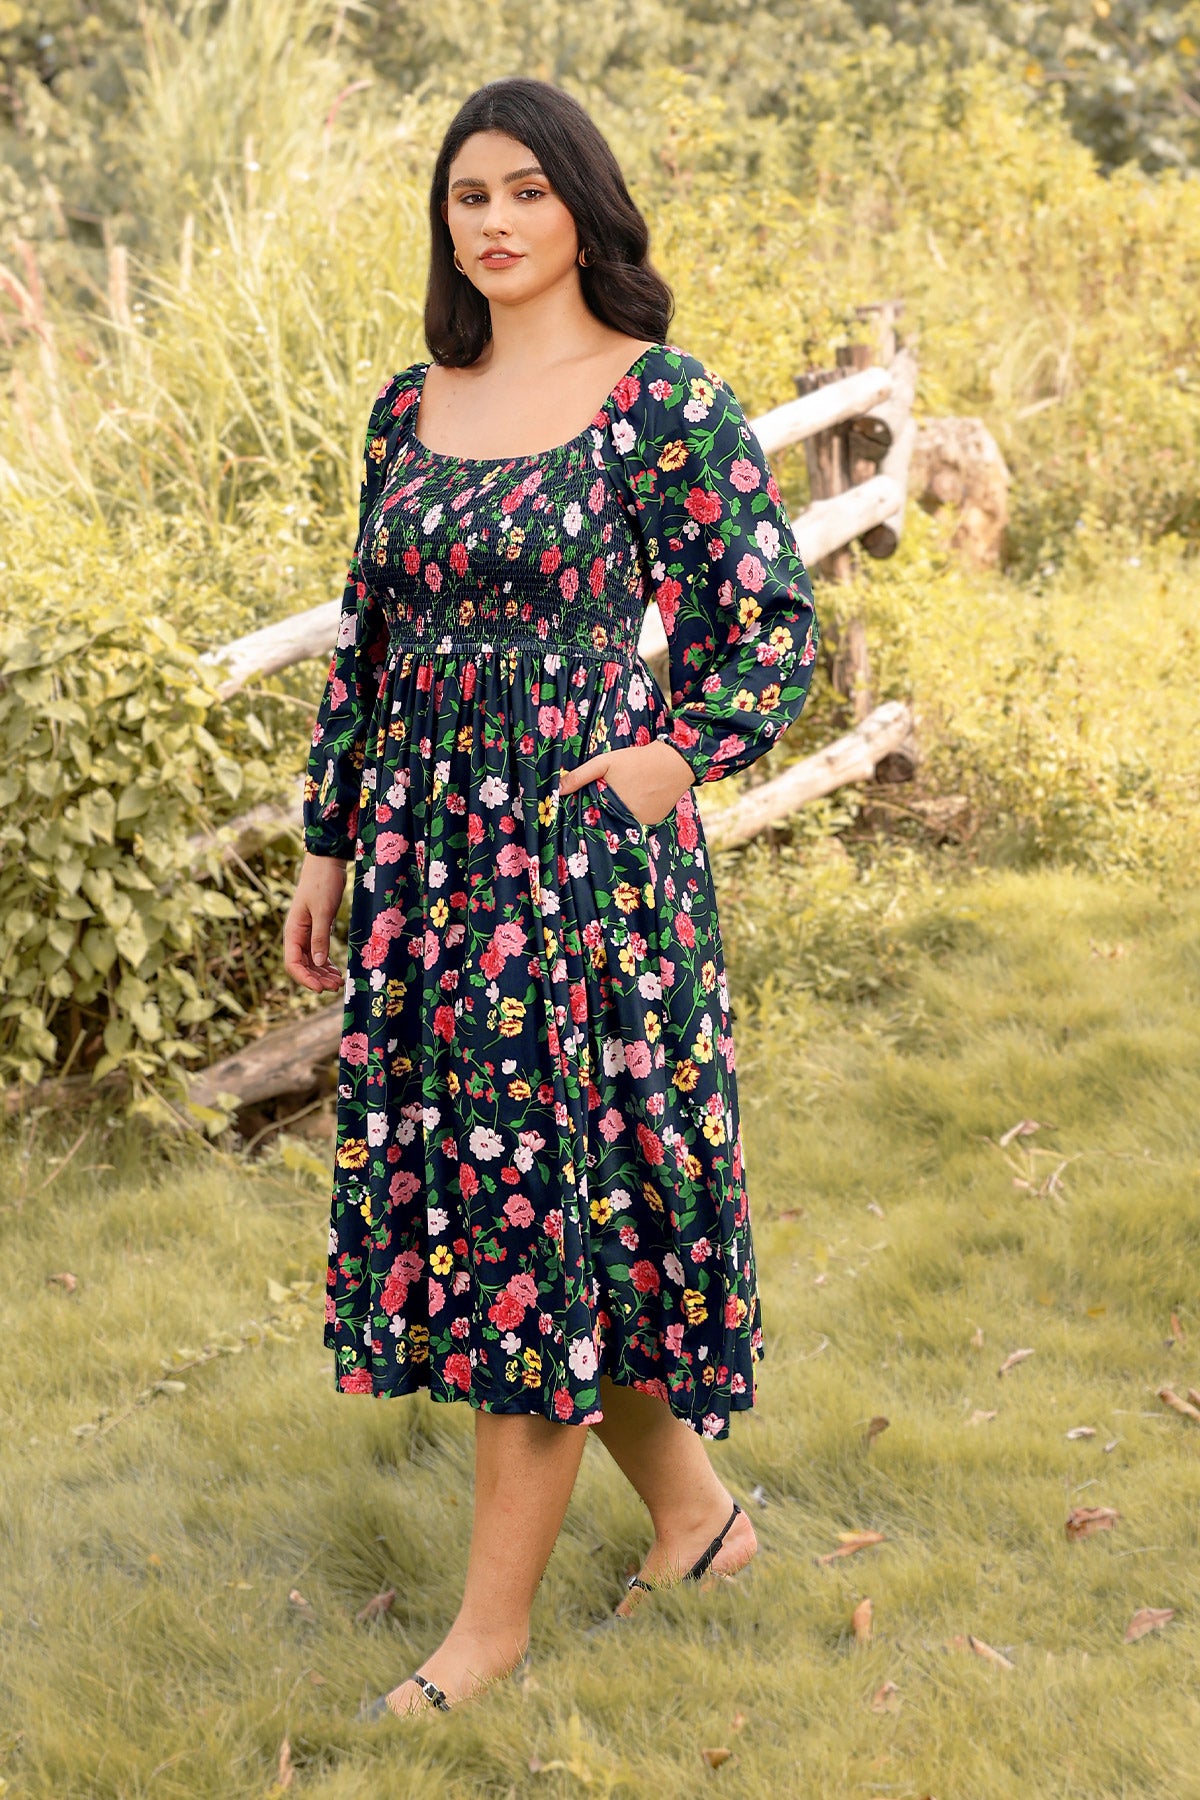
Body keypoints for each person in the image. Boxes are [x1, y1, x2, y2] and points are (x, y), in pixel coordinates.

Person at [283, 75, 819, 1720]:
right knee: (554, 1216)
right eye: (470, 196)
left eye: (527, 189)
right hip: (428, 872)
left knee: (530, 1224)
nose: (497, 220)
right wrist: (328, 839)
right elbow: (369, 641)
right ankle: (701, 1523)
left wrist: (676, 757)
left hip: (581, 872)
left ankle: (486, 1636)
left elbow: (766, 623)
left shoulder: (660, 402)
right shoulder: (409, 407)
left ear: (583, 205)